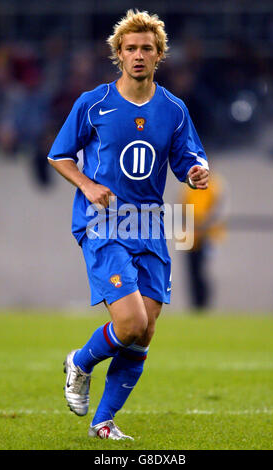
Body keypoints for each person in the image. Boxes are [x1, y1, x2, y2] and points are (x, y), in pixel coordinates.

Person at [47, 9, 209, 440]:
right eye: (131, 48)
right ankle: (80, 362)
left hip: (151, 225)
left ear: (159, 56)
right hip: (103, 224)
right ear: (118, 54)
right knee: (132, 323)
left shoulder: (173, 109)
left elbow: (189, 160)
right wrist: (87, 184)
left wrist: (195, 172)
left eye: (147, 49)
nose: (139, 55)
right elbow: (59, 156)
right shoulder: (93, 103)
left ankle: (103, 423)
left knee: (144, 332)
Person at [180, 172, 227, 310]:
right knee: (191, 272)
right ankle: (195, 305)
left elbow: (218, 211)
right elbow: (182, 208)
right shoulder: (188, 186)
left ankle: (204, 305)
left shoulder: (215, 186)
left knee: (204, 272)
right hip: (190, 236)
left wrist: (204, 226)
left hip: (208, 236)